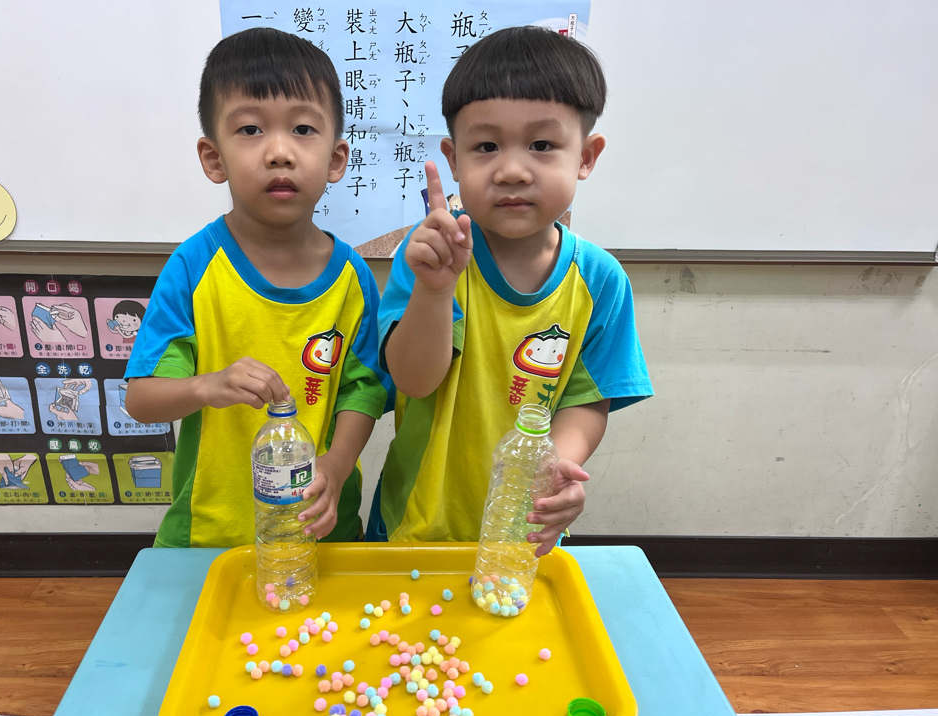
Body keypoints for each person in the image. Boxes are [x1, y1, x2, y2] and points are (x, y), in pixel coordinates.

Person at [371, 26, 653, 555]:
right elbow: (413, 380)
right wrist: (434, 292)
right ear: (454, 159)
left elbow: (587, 401)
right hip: (416, 525)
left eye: (542, 145)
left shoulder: (600, 281)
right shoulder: (431, 254)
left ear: (586, 156)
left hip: (522, 532)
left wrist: (558, 467)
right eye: (486, 146)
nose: (513, 171)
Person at [124, 27, 388, 548]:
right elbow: (142, 399)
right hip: (210, 537)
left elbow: (366, 390)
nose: (279, 152)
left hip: (319, 534)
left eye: (303, 129)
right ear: (213, 158)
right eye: (250, 129)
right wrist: (207, 386)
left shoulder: (353, 277)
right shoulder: (195, 267)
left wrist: (336, 467)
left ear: (336, 159)